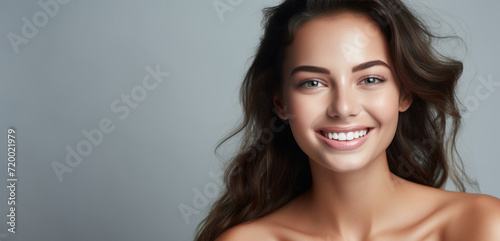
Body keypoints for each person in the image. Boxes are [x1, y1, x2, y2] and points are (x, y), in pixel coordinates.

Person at [195, 0, 500, 240]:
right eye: (313, 83)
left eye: (369, 79)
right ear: (281, 102)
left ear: (404, 94)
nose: (343, 108)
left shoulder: (480, 226)